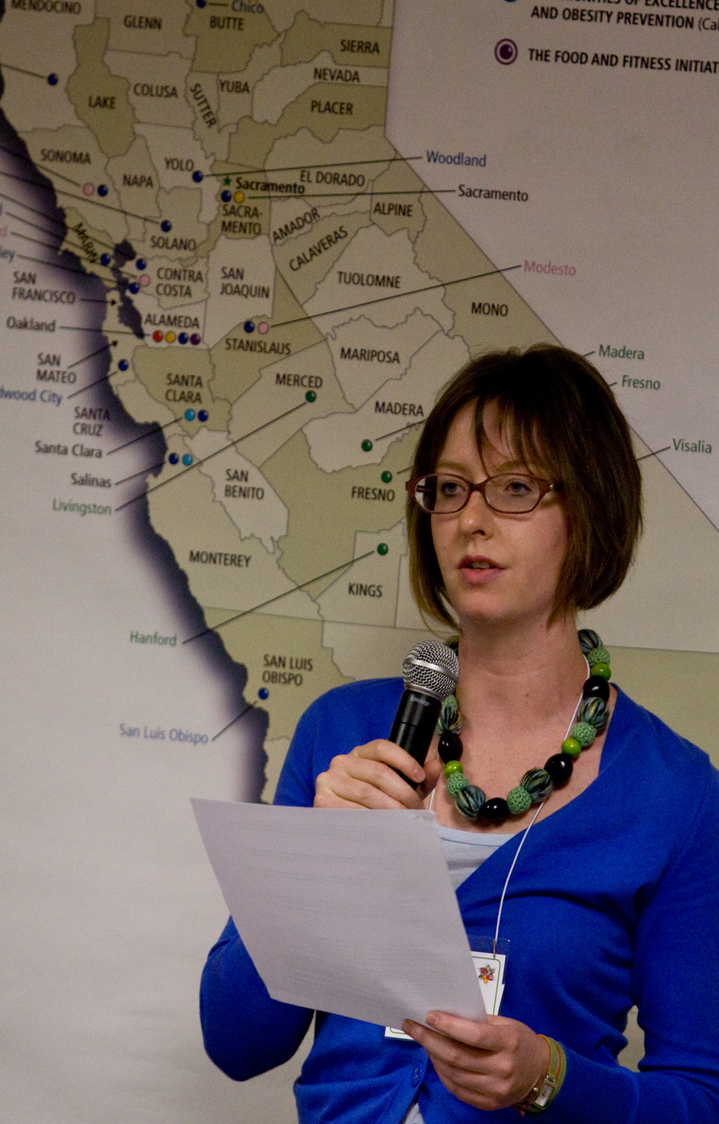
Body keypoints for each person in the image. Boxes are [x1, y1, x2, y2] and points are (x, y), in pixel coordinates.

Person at [200, 345, 719, 1122]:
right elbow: (235, 1044)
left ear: (593, 510)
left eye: (514, 488)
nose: (470, 519)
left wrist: (550, 1077)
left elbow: (699, 1097)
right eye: (448, 489)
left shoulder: (675, 793)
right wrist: (318, 861)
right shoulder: (340, 733)